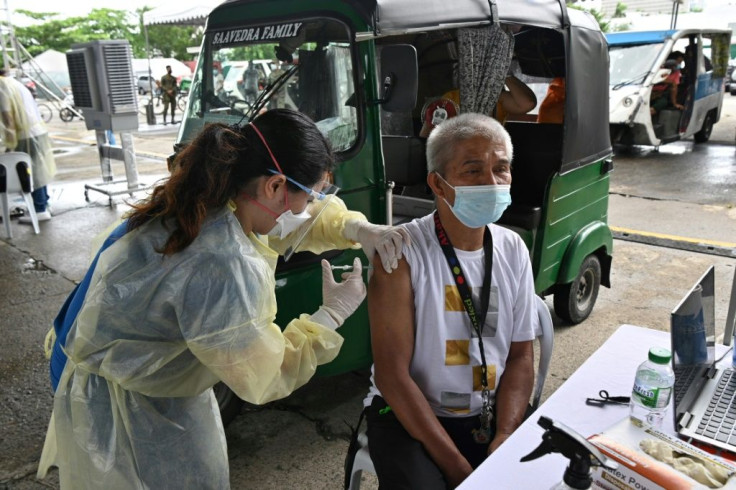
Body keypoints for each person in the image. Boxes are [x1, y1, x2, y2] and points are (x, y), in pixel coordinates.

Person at [37, 109, 410, 489]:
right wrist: (332, 314)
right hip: (123, 402)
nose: (307, 208)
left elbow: (301, 221)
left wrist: (356, 227)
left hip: (97, 354)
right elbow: (264, 373)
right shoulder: (221, 262)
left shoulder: (211, 197)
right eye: (310, 194)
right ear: (275, 186)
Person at [363, 113, 538, 489]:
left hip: (490, 415)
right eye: (472, 170)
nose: (491, 183)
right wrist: (459, 469)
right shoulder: (401, 255)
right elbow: (393, 377)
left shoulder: (513, 249)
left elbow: (522, 356)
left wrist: (506, 433)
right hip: (410, 416)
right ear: (438, 185)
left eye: (501, 168)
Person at [0, 69, 56, 222]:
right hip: (37, 131)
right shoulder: (14, 83)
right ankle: (43, 203)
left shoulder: (2, 86)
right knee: (38, 169)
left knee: (29, 172)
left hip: (26, 135)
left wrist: (10, 144)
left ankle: (39, 209)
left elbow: (7, 115)